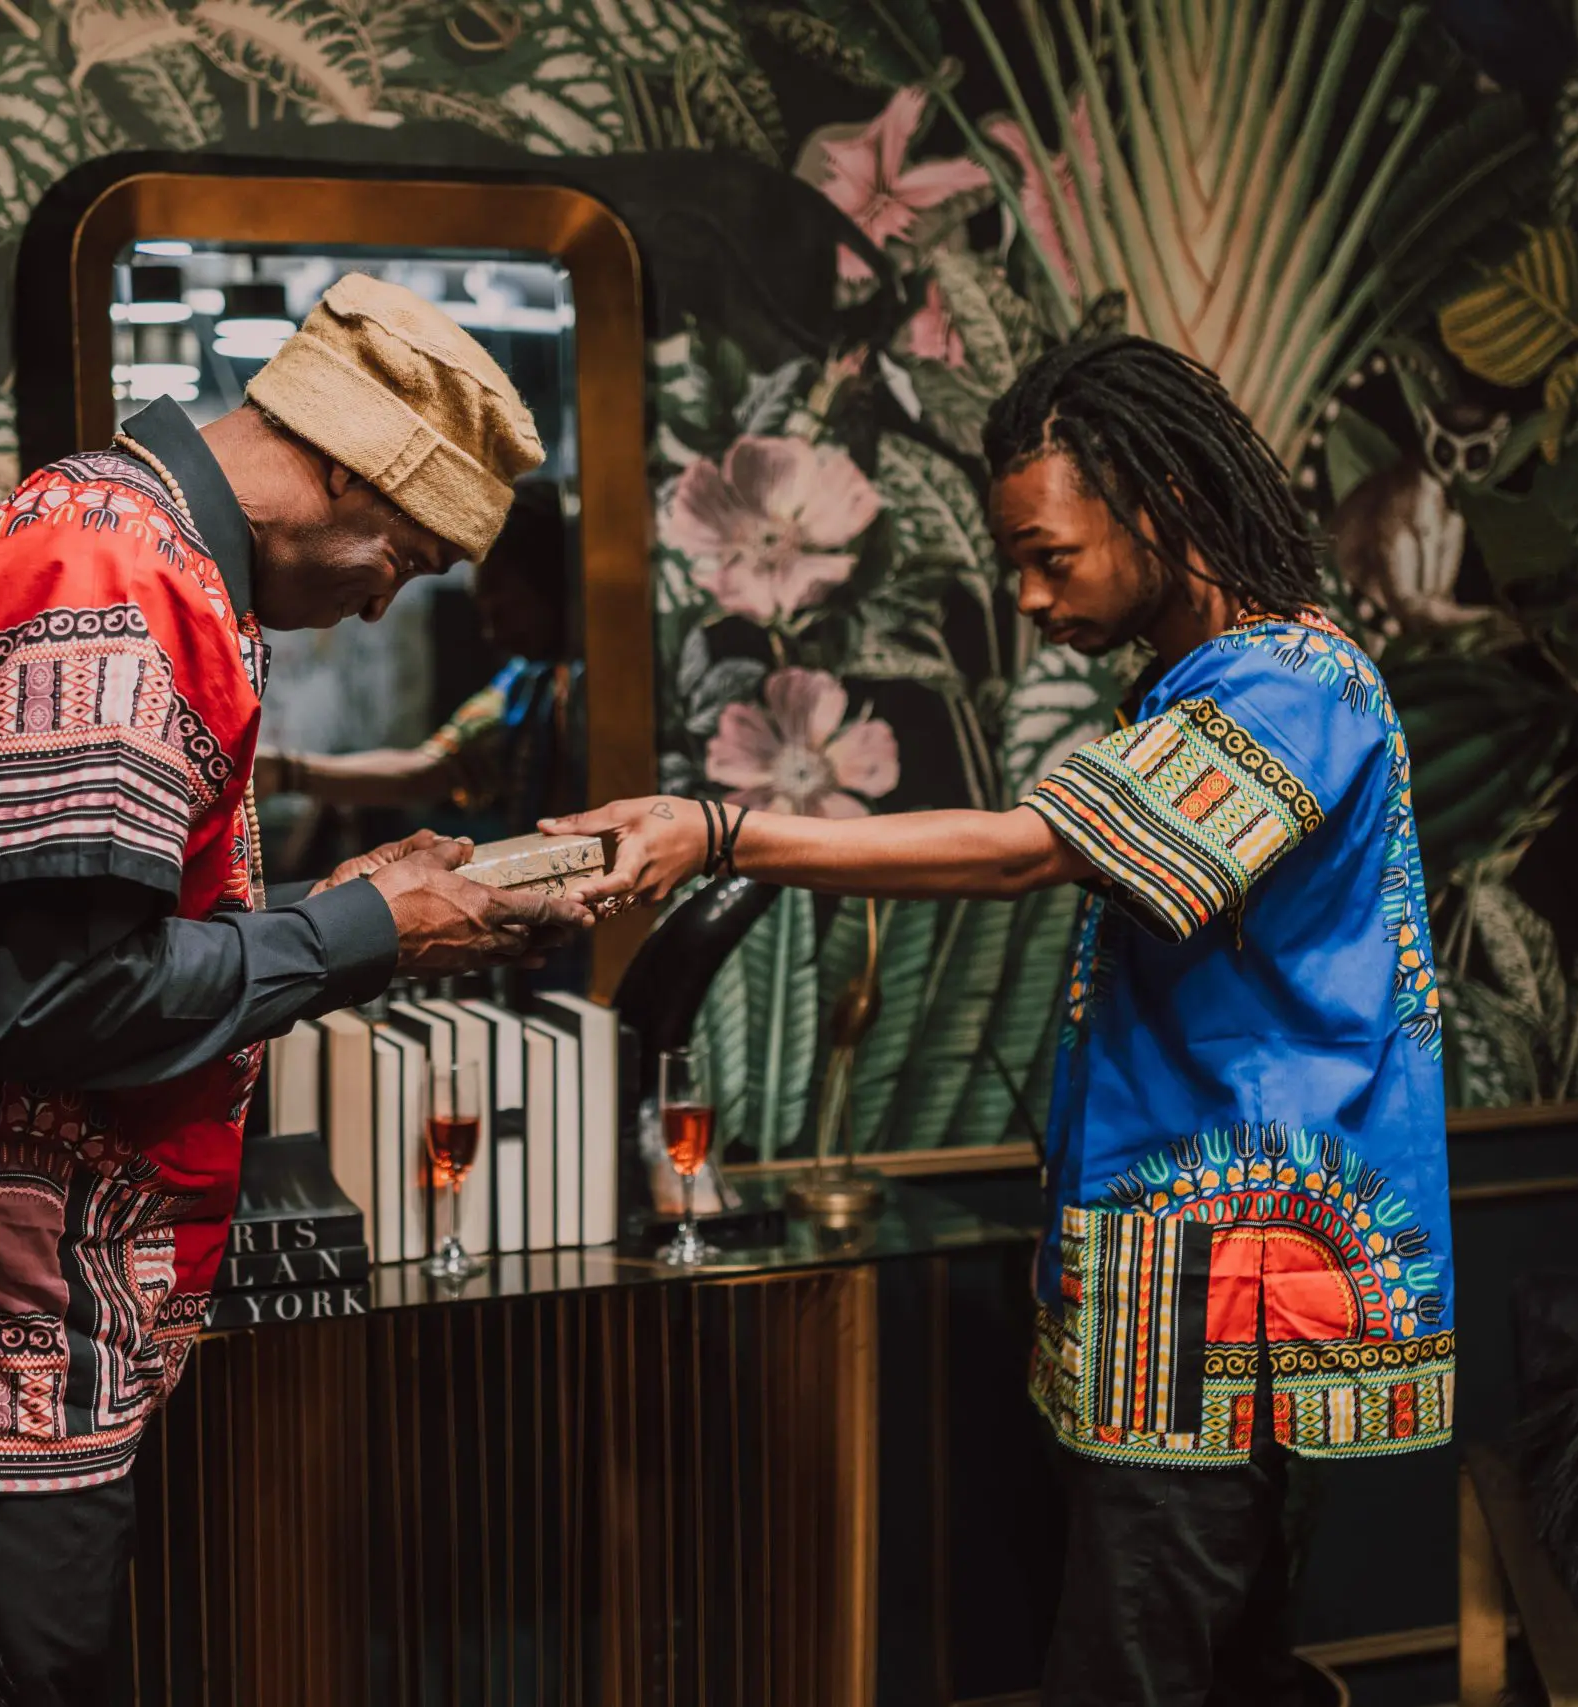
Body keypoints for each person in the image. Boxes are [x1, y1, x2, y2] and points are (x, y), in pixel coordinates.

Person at [0, 273, 588, 1707]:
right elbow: (55, 1000)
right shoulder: (107, 575)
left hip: (4, 1315)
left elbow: (94, 934)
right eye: (406, 551)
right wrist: (363, 934)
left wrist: (348, 909)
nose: (385, 597)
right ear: (343, 464)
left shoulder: (138, 554)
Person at [553, 335, 1453, 1706]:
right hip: (1175, 1259)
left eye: (1050, 556)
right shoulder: (1218, 682)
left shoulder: (1289, 684)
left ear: (1159, 502)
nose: (1029, 596)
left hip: (1224, 1275)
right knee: (1201, 1656)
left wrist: (723, 831)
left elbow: (1031, 849)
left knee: (1142, 1667)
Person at [254, 479, 581, 836]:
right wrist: (286, 772)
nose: (492, 634)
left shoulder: (596, 694)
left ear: (556, 585)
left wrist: (290, 773)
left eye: (503, 610)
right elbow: (430, 769)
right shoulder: (524, 685)